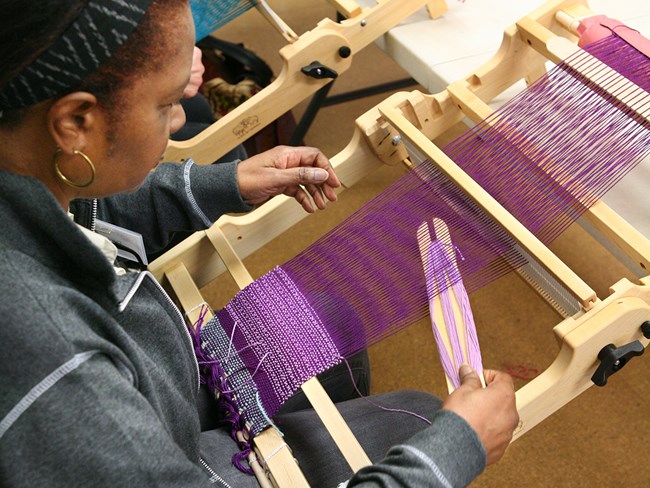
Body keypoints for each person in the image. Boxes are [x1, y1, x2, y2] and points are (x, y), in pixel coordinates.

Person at [0, 0, 519, 487]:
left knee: (328, 321)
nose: (181, 118)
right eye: (165, 105)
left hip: (147, 375)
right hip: (154, 448)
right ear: (73, 122)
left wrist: (227, 183)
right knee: (425, 420)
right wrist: (448, 454)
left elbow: (80, 212)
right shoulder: (56, 366)